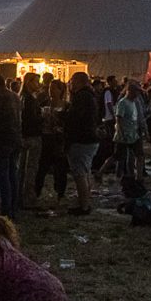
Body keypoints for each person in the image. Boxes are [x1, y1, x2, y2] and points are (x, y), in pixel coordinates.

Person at [60, 72, 99, 215]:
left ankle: (83, 206)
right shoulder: (91, 96)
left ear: (79, 81)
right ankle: (85, 202)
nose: (70, 83)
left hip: (81, 140)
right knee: (85, 172)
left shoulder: (81, 97)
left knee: (80, 173)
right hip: (89, 138)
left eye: (72, 81)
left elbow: (75, 117)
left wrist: (61, 116)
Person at [0, 73, 23, 218]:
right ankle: (14, 207)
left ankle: (6, 210)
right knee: (13, 174)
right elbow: (19, 119)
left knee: (3, 177)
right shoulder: (15, 97)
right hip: (15, 139)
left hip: (1, 141)